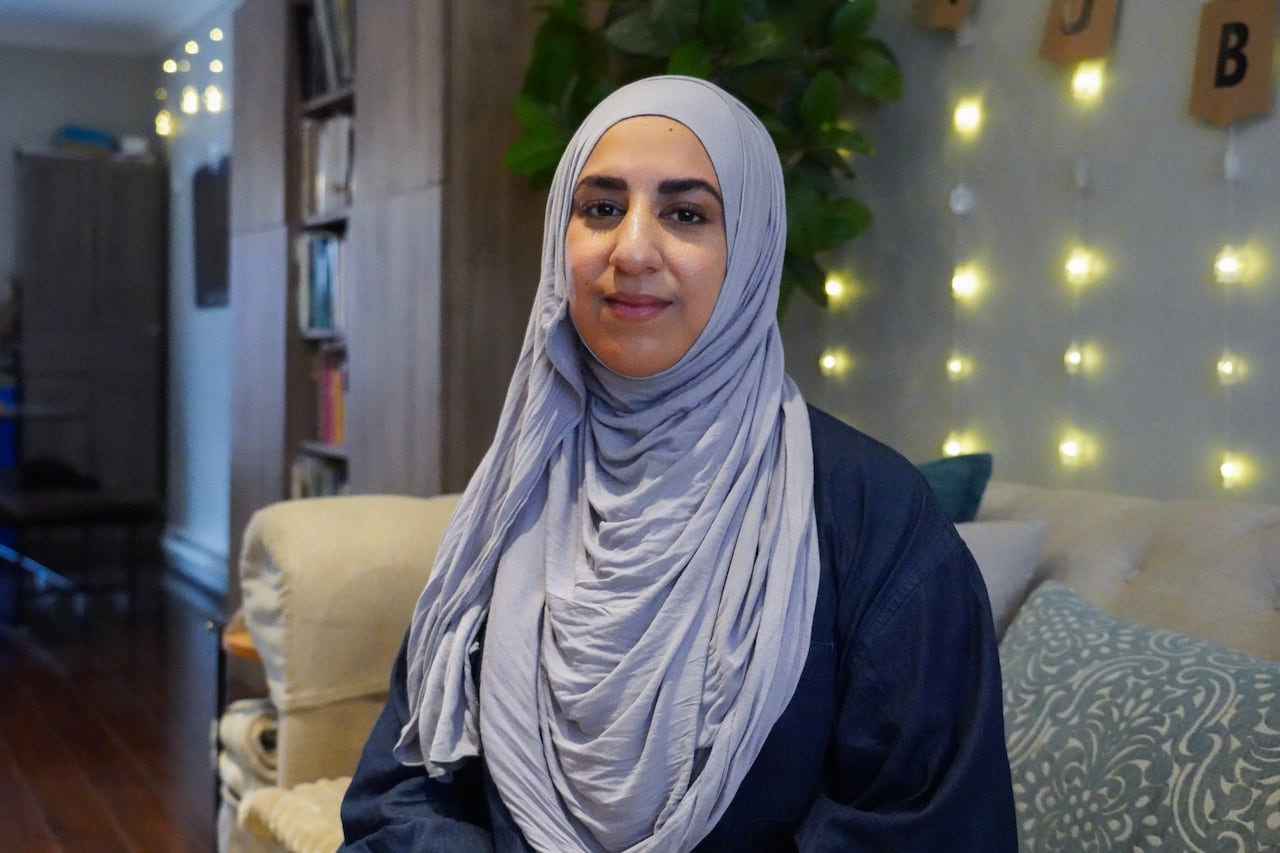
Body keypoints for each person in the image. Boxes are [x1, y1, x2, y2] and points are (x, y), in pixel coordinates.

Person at [339, 75, 1017, 852]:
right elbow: (402, 790)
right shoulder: (510, 495)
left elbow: (926, 828)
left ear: (753, 248)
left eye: (686, 213)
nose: (631, 250)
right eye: (599, 208)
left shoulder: (877, 518)